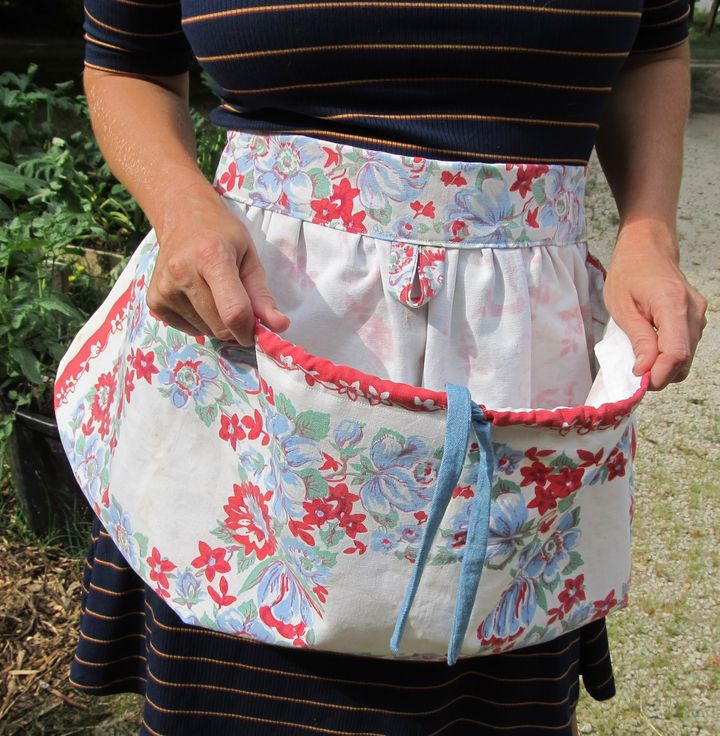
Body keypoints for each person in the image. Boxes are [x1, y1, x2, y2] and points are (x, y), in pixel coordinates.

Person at [66, 0, 706, 734]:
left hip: (511, 366)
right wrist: (180, 206)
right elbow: (127, 59)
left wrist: (650, 230)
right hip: (254, 378)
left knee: (481, 697)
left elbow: (653, 50)